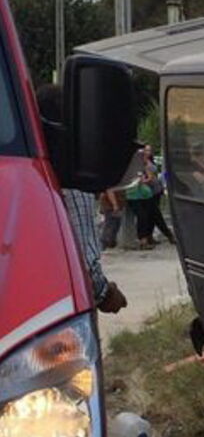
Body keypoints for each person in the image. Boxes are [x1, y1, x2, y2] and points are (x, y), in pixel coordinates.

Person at [35, 85, 128, 314]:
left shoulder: (26, 172)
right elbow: (83, 265)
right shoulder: (71, 181)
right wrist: (105, 294)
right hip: (58, 312)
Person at [142, 144, 175, 244]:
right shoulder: (140, 163)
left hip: (156, 189)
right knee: (155, 214)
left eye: (149, 150)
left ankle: (149, 236)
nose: (148, 152)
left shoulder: (151, 161)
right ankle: (169, 235)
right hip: (147, 192)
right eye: (146, 150)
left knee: (152, 214)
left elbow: (158, 173)